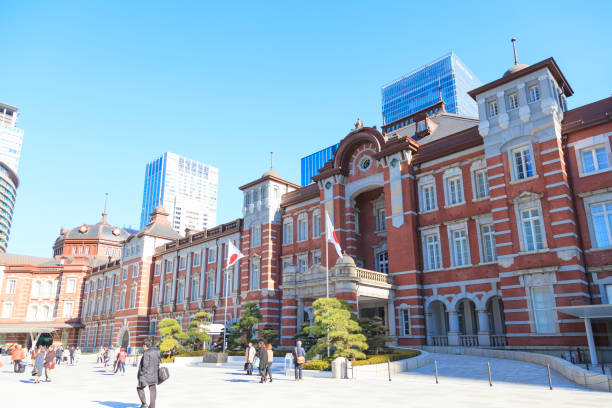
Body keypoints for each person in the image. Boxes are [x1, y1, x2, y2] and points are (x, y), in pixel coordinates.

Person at [137, 338, 161, 408]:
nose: (142, 347)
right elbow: (158, 362)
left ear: (145, 345)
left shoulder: (146, 352)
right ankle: (152, 406)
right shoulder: (157, 351)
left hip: (146, 375)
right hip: (154, 374)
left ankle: (144, 403)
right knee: (153, 389)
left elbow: (145, 365)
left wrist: (141, 374)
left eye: (143, 345)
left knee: (139, 388)